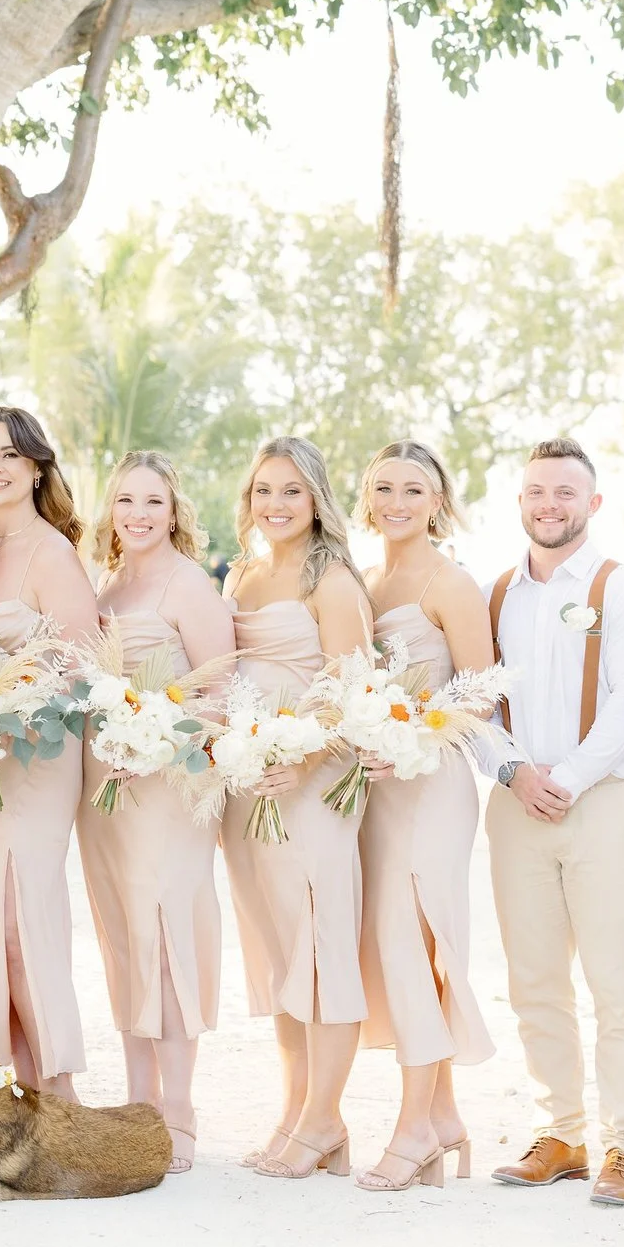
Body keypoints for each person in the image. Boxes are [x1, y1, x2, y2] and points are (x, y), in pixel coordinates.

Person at [480, 437, 624, 1207]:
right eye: (536, 492)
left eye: (564, 492)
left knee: (619, 979)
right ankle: (559, 1131)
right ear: (519, 501)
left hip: (602, 801)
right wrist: (514, 771)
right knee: (534, 979)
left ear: (592, 503)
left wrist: (569, 776)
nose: (548, 505)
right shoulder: (495, 595)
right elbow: (476, 700)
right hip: (516, 803)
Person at [219, 436, 373, 1180]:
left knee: (321, 949)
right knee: (280, 954)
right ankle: (295, 1110)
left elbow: (352, 694)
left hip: (309, 790)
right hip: (248, 792)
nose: (275, 505)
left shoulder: (332, 579)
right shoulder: (242, 573)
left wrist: (298, 759)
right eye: (263, 491)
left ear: (316, 499)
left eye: (291, 491)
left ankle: (325, 1118)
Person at [78, 450, 234, 1173]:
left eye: (154, 502)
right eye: (126, 501)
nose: (138, 514)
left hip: (169, 789)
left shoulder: (188, 585)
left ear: (176, 512)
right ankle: (138, 1104)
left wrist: (156, 744)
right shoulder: (107, 585)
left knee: (169, 934)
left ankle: (180, 1109)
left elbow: (218, 695)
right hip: (105, 792)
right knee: (124, 935)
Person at [351, 440, 496, 1191]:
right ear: (367, 496)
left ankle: (414, 1128)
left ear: (438, 499)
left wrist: (413, 733)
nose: (397, 501)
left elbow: (481, 693)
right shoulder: (365, 579)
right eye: (384, 487)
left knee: (419, 943)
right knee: (394, 945)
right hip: (376, 789)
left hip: (432, 782)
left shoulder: (451, 581)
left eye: (414, 488)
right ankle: (440, 1116)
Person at [0, 405, 99, 1102]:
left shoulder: (51, 551)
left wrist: (10, 716)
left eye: (10, 454)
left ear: (36, 466)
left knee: (24, 918)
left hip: (35, 760)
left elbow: (80, 664)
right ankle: (19, 1089)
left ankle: (60, 1094)